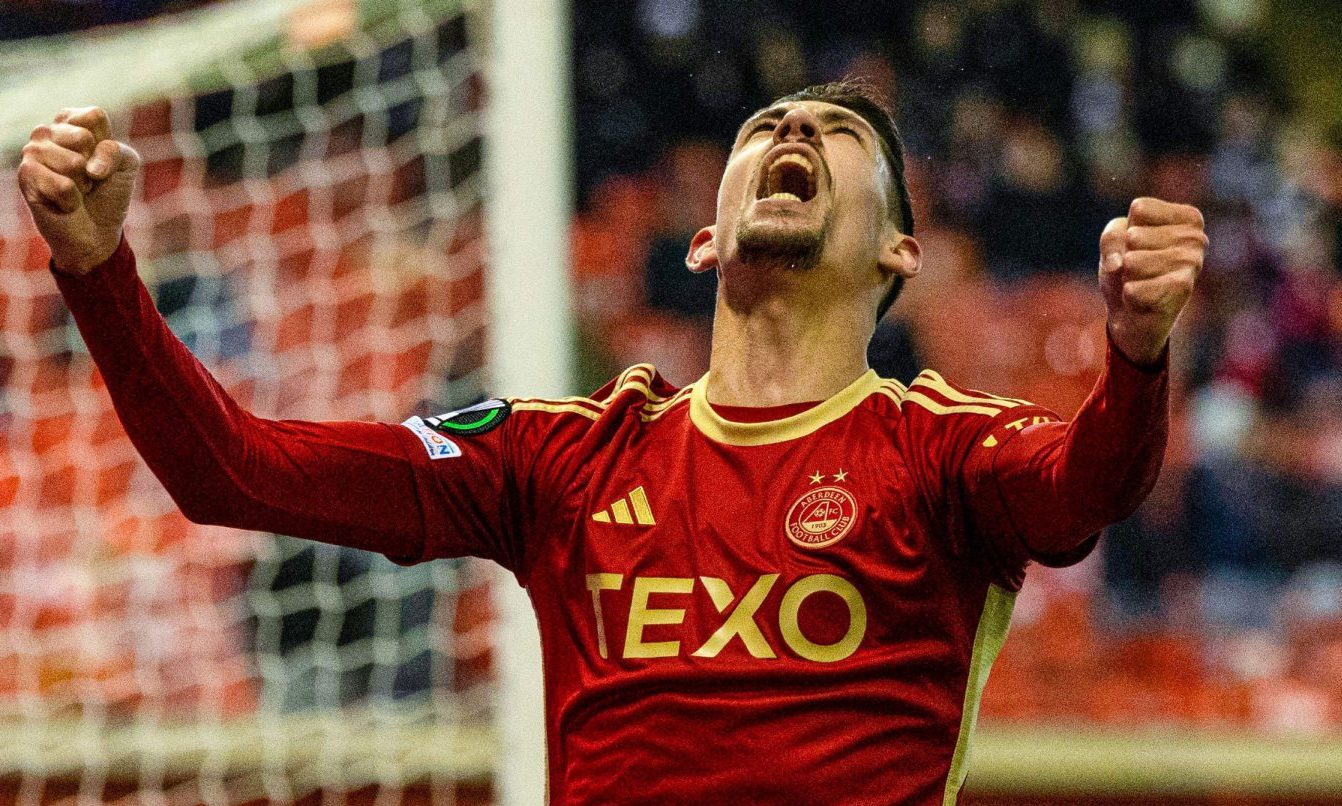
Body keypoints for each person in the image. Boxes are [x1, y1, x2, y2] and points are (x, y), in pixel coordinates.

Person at [19, 81, 1205, 804]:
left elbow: (1086, 488)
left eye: (839, 132)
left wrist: (1135, 347)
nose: (794, 124)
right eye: (769, 123)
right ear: (704, 240)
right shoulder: (564, 458)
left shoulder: (940, 451)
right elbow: (231, 471)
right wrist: (96, 268)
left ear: (900, 250)